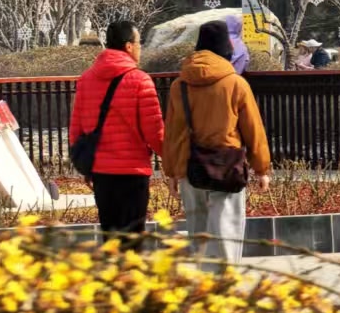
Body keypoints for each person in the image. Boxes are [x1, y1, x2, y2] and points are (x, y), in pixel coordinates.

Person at [164, 20, 271, 263]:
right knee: (227, 236)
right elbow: (253, 129)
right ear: (226, 49)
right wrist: (261, 169)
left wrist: (171, 172)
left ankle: (205, 282)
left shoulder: (180, 86)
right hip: (227, 167)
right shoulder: (236, 84)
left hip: (190, 168)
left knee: (199, 238)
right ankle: (226, 281)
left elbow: (172, 132)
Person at [69, 19, 164, 238]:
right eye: (139, 43)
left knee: (111, 239)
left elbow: (76, 129)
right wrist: (171, 162)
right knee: (132, 240)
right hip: (133, 172)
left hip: (101, 173)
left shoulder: (86, 80)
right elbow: (155, 131)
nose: (140, 48)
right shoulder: (140, 80)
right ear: (129, 46)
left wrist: (85, 166)